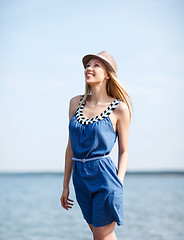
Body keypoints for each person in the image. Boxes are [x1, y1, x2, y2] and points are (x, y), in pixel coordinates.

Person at [60, 51, 133, 240]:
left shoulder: (119, 108)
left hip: (104, 177)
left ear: (108, 74)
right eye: (87, 65)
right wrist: (65, 185)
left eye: (96, 65)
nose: (89, 69)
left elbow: (124, 151)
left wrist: (119, 181)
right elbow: (70, 147)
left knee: (101, 236)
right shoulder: (75, 103)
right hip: (80, 177)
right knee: (101, 236)